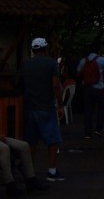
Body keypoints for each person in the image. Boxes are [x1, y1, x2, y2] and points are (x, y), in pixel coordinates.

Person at [17, 38, 64, 182]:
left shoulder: (25, 65)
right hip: (46, 107)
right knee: (53, 140)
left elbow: (18, 83)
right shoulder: (51, 64)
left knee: (31, 142)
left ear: (33, 50)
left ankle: (30, 171)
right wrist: (60, 105)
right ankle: (51, 171)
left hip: (29, 107)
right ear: (45, 49)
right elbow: (56, 85)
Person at [76, 48, 104, 138]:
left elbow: (78, 73)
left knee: (88, 111)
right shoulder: (101, 60)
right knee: (101, 109)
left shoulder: (83, 61)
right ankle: (98, 129)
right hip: (99, 88)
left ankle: (88, 133)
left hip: (87, 88)